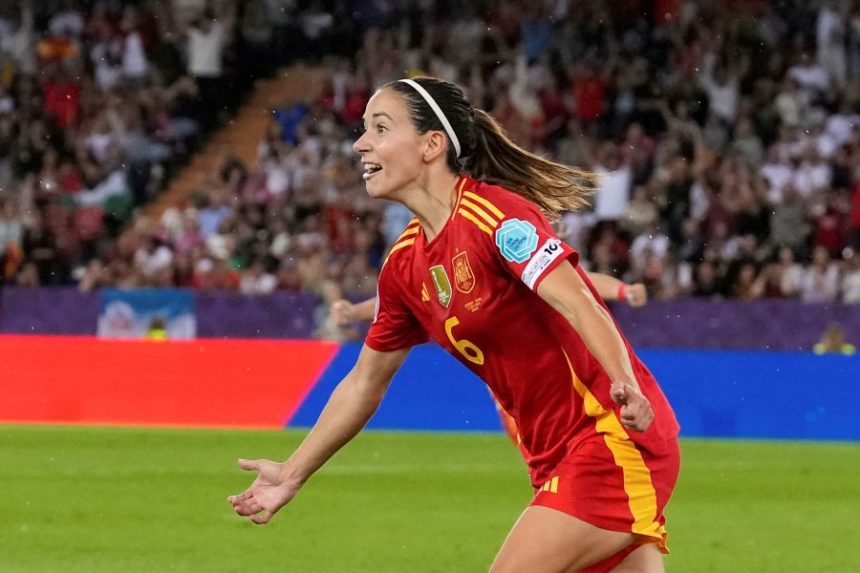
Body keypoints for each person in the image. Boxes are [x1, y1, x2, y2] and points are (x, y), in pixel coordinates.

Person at [229, 77, 680, 573]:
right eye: (363, 130)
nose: (361, 144)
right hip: (551, 458)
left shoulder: (496, 217)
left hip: (610, 440)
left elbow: (580, 304)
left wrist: (625, 384)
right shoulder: (403, 267)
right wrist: (293, 473)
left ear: (431, 145)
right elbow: (363, 383)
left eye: (379, 128)